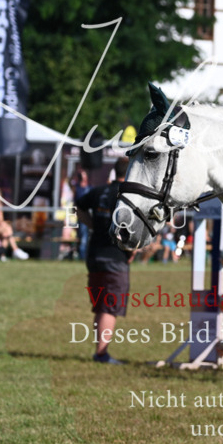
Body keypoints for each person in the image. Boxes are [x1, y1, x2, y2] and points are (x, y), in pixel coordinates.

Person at [75, 156, 131, 365]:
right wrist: (133, 250)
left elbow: (77, 207)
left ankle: (99, 351)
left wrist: (92, 225)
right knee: (110, 307)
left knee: (100, 306)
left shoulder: (100, 191)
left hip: (94, 254)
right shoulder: (128, 195)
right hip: (115, 257)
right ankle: (101, 353)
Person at [0, 194, 29, 260]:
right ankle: (15, 250)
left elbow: (1, 220)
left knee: (6, 233)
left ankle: (2, 255)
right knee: (7, 229)